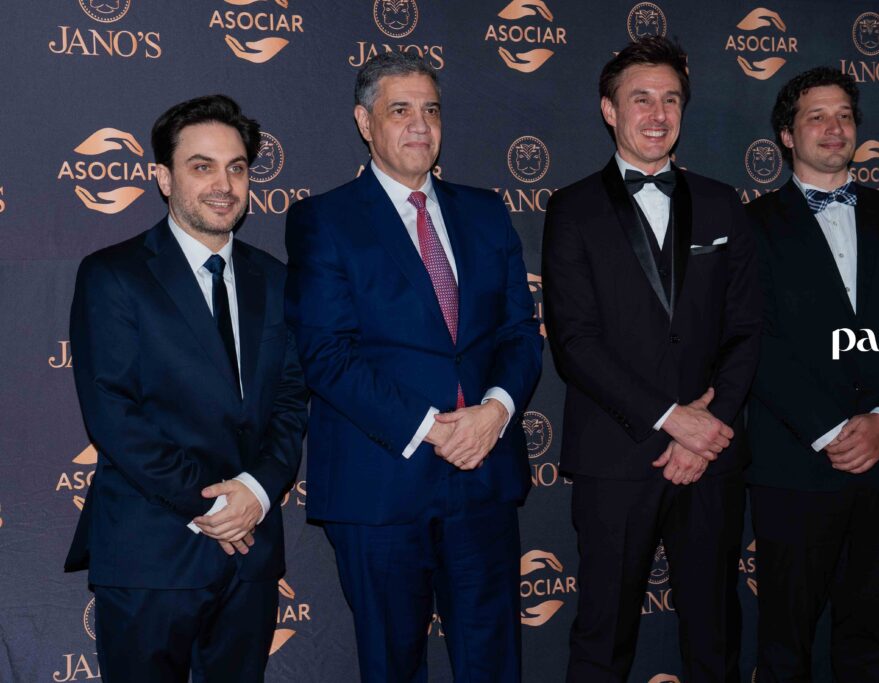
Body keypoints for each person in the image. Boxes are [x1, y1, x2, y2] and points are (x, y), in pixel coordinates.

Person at [284, 51, 542, 682]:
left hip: (483, 477)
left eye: (431, 110)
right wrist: (433, 428)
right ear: (364, 122)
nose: (420, 125)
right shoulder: (324, 220)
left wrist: (495, 412)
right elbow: (327, 355)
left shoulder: (486, 211)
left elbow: (519, 333)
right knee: (393, 666)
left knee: (494, 665)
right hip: (382, 484)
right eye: (400, 110)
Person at [64, 94, 307, 682]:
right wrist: (214, 506)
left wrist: (255, 491)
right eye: (202, 166)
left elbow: (290, 401)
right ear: (164, 178)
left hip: (250, 554)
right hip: (151, 551)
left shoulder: (276, 280)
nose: (223, 184)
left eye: (236, 167)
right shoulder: (113, 275)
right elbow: (113, 414)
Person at [542, 36, 761, 683]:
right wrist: (672, 418)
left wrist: (707, 426)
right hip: (616, 456)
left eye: (670, 100)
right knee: (602, 640)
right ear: (610, 110)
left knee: (715, 638)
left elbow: (747, 328)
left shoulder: (722, 203)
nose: (658, 114)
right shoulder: (572, 209)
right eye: (641, 99)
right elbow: (575, 342)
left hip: (711, 458)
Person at [745, 66, 879, 682]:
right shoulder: (751, 226)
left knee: (870, 634)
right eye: (816, 116)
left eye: (844, 115)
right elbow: (755, 342)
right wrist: (830, 428)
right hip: (796, 465)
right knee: (785, 641)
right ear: (787, 135)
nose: (834, 128)